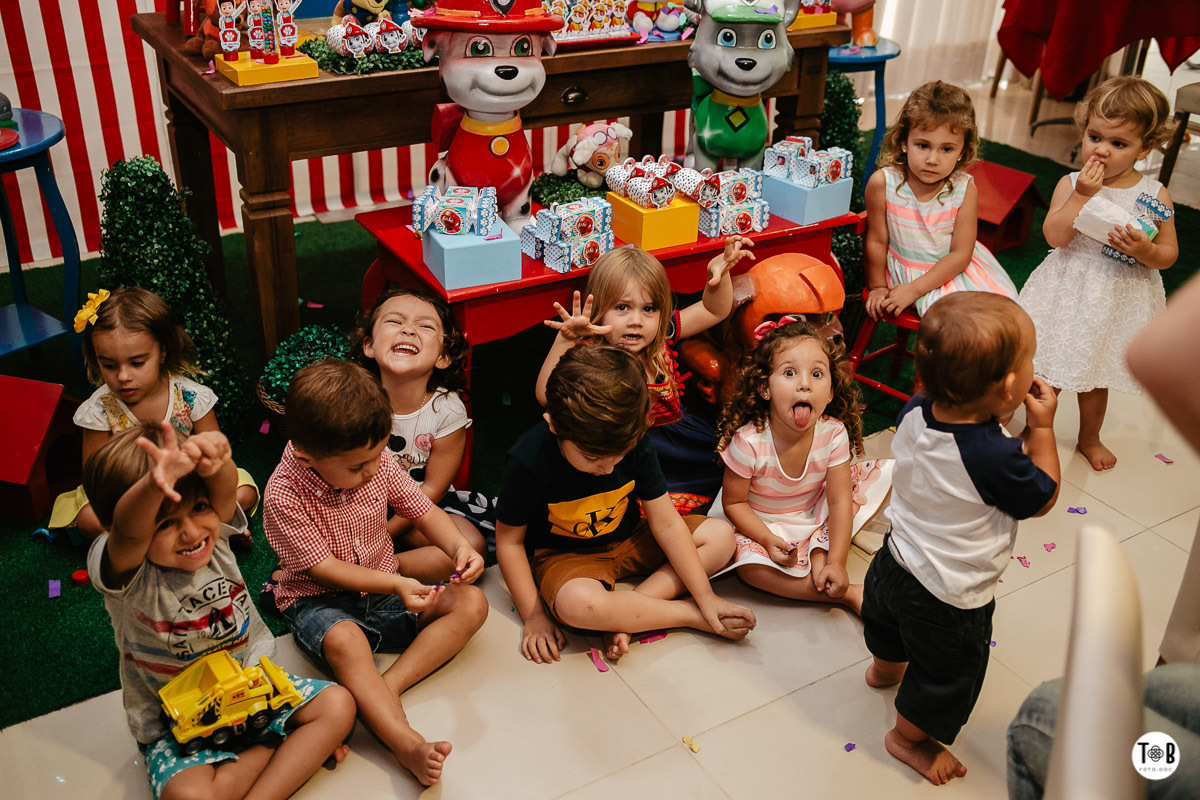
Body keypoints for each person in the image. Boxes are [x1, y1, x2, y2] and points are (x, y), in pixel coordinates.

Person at [83, 421, 356, 800]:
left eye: (199, 507)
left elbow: (225, 487)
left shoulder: (218, 538)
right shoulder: (129, 574)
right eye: (165, 523)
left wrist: (219, 457)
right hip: (177, 724)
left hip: (251, 691)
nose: (193, 532)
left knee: (339, 706)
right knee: (189, 797)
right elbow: (128, 531)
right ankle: (275, 747)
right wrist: (152, 485)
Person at [1004, 274, 1200, 799]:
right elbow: (1043, 496)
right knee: (1160, 690)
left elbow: (1165, 352)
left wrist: (1039, 430)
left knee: (1047, 712)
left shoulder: (916, 422)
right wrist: (1042, 431)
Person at [861, 292, 1060, 786]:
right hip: (949, 595)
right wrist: (1044, 427)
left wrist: (1004, 417)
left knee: (889, 626)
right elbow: (1042, 495)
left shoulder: (917, 408)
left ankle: (884, 671)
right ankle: (909, 739)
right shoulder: (994, 457)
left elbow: (975, 431)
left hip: (894, 562)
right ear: (1010, 383)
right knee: (948, 672)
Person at [262, 360, 489, 787]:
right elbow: (324, 571)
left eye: (376, 457)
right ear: (306, 455)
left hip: (385, 584)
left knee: (472, 602)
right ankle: (404, 744)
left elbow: (420, 508)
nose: (372, 471)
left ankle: (383, 690)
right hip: (319, 601)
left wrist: (458, 547)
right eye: (357, 468)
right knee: (347, 641)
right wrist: (396, 583)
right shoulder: (283, 494)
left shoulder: (373, 458)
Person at [498, 345, 757, 664]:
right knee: (578, 605)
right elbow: (509, 543)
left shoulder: (632, 440)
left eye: (618, 456)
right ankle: (684, 615)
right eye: (592, 457)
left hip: (632, 535)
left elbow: (666, 522)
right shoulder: (527, 461)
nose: (606, 468)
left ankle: (631, 611)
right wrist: (534, 616)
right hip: (565, 556)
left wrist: (707, 597)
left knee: (721, 536)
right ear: (554, 425)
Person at [1019, 76, 1179, 471]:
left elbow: (1169, 253)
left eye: (1118, 144)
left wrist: (1146, 250)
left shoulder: (1154, 195)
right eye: (1094, 136)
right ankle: (1033, 431)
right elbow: (1055, 237)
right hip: (1068, 287)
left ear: (1146, 148)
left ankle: (1089, 437)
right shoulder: (1071, 183)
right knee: (1049, 367)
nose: (1101, 151)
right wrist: (1081, 197)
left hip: (1116, 296)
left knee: (1096, 373)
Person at [534, 237, 756, 514]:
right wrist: (565, 339)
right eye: (622, 308)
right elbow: (546, 394)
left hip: (678, 447)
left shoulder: (664, 334)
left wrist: (718, 273)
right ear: (600, 310)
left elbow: (714, 310)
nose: (636, 320)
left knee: (727, 473)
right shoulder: (591, 353)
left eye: (648, 308)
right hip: (624, 451)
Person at [50, 287, 259, 542]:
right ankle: (199, 532)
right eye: (109, 365)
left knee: (244, 491)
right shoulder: (99, 410)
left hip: (188, 485)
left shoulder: (191, 397)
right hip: (127, 494)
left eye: (137, 363)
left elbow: (217, 455)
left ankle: (179, 532)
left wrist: (193, 480)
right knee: (90, 519)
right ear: (96, 358)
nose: (123, 376)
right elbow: (95, 478)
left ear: (163, 351)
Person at [708, 317, 866, 613]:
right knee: (751, 571)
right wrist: (767, 539)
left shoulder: (833, 433)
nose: (805, 384)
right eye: (790, 373)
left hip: (811, 509)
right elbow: (734, 503)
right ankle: (844, 594)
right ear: (765, 388)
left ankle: (822, 562)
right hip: (757, 521)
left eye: (817, 374)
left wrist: (838, 562)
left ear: (830, 392)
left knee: (858, 497)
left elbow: (840, 500)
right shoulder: (749, 442)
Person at [353, 288, 489, 579]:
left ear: (443, 356)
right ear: (369, 346)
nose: (408, 330)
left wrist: (381, 536)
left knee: (471, 546)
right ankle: (350, 566)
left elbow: (431, 490)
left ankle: (375, 570)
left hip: (421, 508)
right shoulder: (351, 400)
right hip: (357, 504)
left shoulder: (448, 410)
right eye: (394, 322)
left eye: (425, 326)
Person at [864, 80, 1018, 320]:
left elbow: (960, 254)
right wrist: (878, 286)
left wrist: (915, 289)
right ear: (904, 141)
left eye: (946, 149)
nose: (932, 159)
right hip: (905, 275)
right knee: (958, 325)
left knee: (999, 319)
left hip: (952, 272)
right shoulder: (883, 183)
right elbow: (876, 239)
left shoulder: (964, 189)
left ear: (962, 152)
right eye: (923, 145)